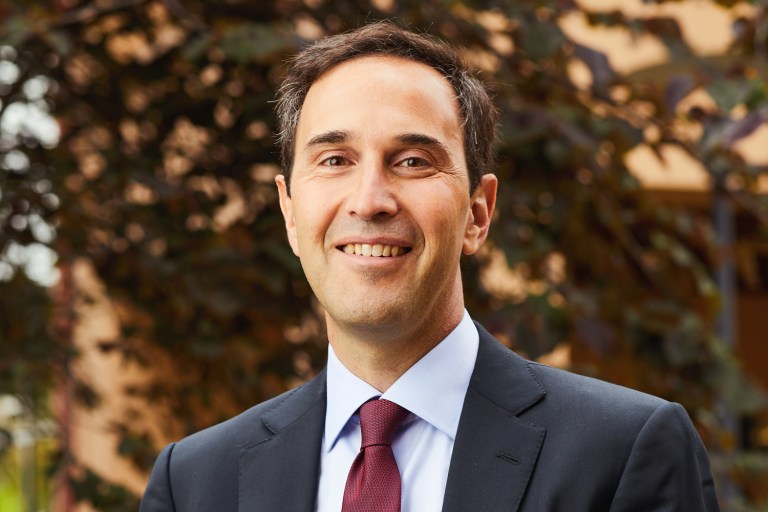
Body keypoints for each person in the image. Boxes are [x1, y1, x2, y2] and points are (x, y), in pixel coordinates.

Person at [140, 22, 719, 511]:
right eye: (335, 159)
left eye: (413, 161)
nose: (369, 200)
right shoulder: (194, 482)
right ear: (290, 212)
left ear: (477, 213)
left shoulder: (623, 453)